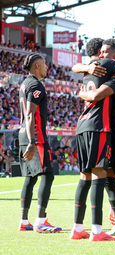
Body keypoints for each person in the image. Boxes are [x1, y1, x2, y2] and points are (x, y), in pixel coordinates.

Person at [70, 38, 115, 241]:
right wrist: (86, 67)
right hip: (108, 133)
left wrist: (82, 93)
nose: (100, 56)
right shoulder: (102, 70)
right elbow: (78, 67)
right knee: (109, 178)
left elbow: (96, 95)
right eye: (99, 52)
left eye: (105, 52)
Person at [18, 53, 62, 233]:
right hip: (35, 137)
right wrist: (32, 141)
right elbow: (30, 114)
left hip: (23, 134)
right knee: (47, 175)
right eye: (44, 64)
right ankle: (41, 221)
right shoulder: (36, 85)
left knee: (31, 177)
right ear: (37, 66)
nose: (46, 68)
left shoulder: (24, 84)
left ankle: (24, 221)